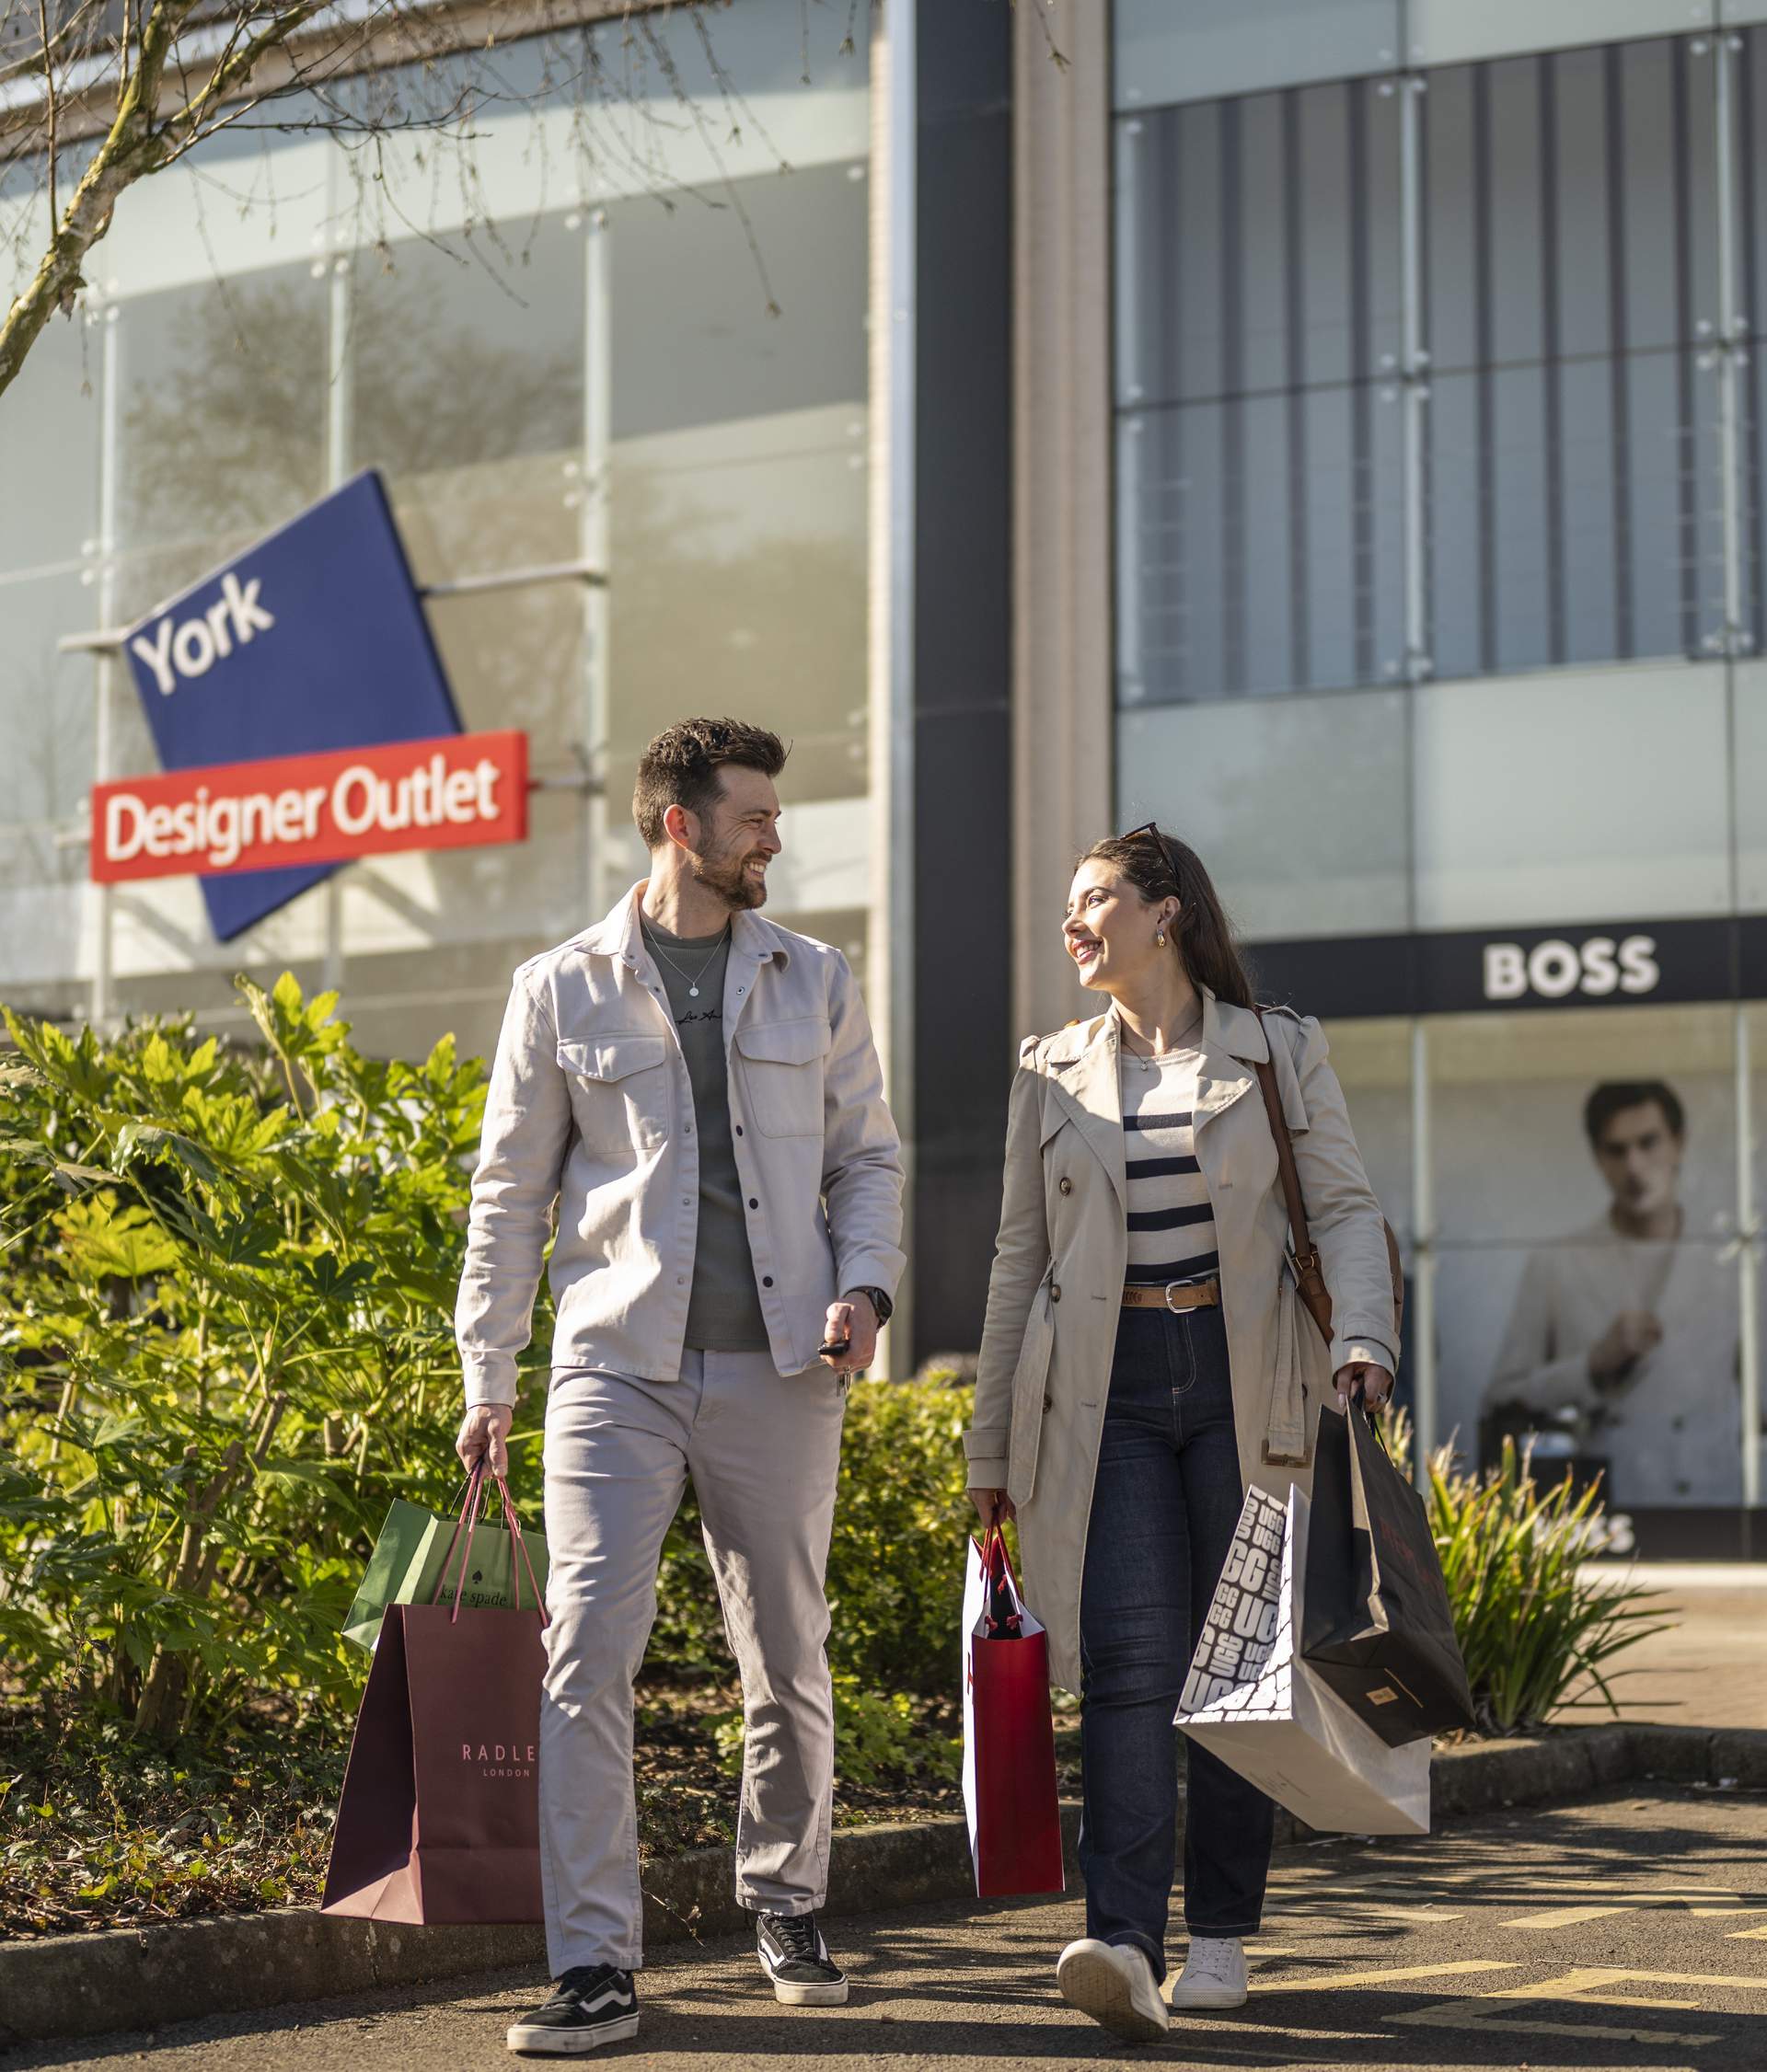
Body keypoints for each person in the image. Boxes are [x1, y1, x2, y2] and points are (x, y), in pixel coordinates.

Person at [454, 717, 905, 2055]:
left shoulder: (816, 978)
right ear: (681, 827)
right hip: (612, 1366)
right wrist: (489, 1374)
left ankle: (787, 1901)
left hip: (783, 1367)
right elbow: (508, 1196)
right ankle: (594, 1964)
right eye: (755, 816)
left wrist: (866, 1290)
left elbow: (867, 1160)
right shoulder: (563, 987)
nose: (776, 836)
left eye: (773, 816)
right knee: (585, 1652)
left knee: (788, 1653)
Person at [964, 823, 1397, 2043]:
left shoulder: (1275, 1051)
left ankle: (1217, 1936)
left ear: (1166, 914)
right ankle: (1122, 1943)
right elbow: (1017, 1262)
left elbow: (1348, 1209)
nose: (1075, 920)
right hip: (1104, 1391)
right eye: (1069, 902)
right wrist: (990, 1450)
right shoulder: (1050, 1068)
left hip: (1245, 1380)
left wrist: (1363, 1339)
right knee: (1132, 1667)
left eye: (1096, 897)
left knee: (1241, 1682)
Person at [1483, 1079, 1742, 1507]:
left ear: (1678, 1144)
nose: (1635, 1166)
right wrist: (1592, 1366)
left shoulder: (1730, 1264)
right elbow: (1502, 1398)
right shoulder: (1557, 1264)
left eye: (1648, 1143)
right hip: (1601, 1512)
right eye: (1617, 1150)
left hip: (1714, 1510)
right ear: (1597, 1158)